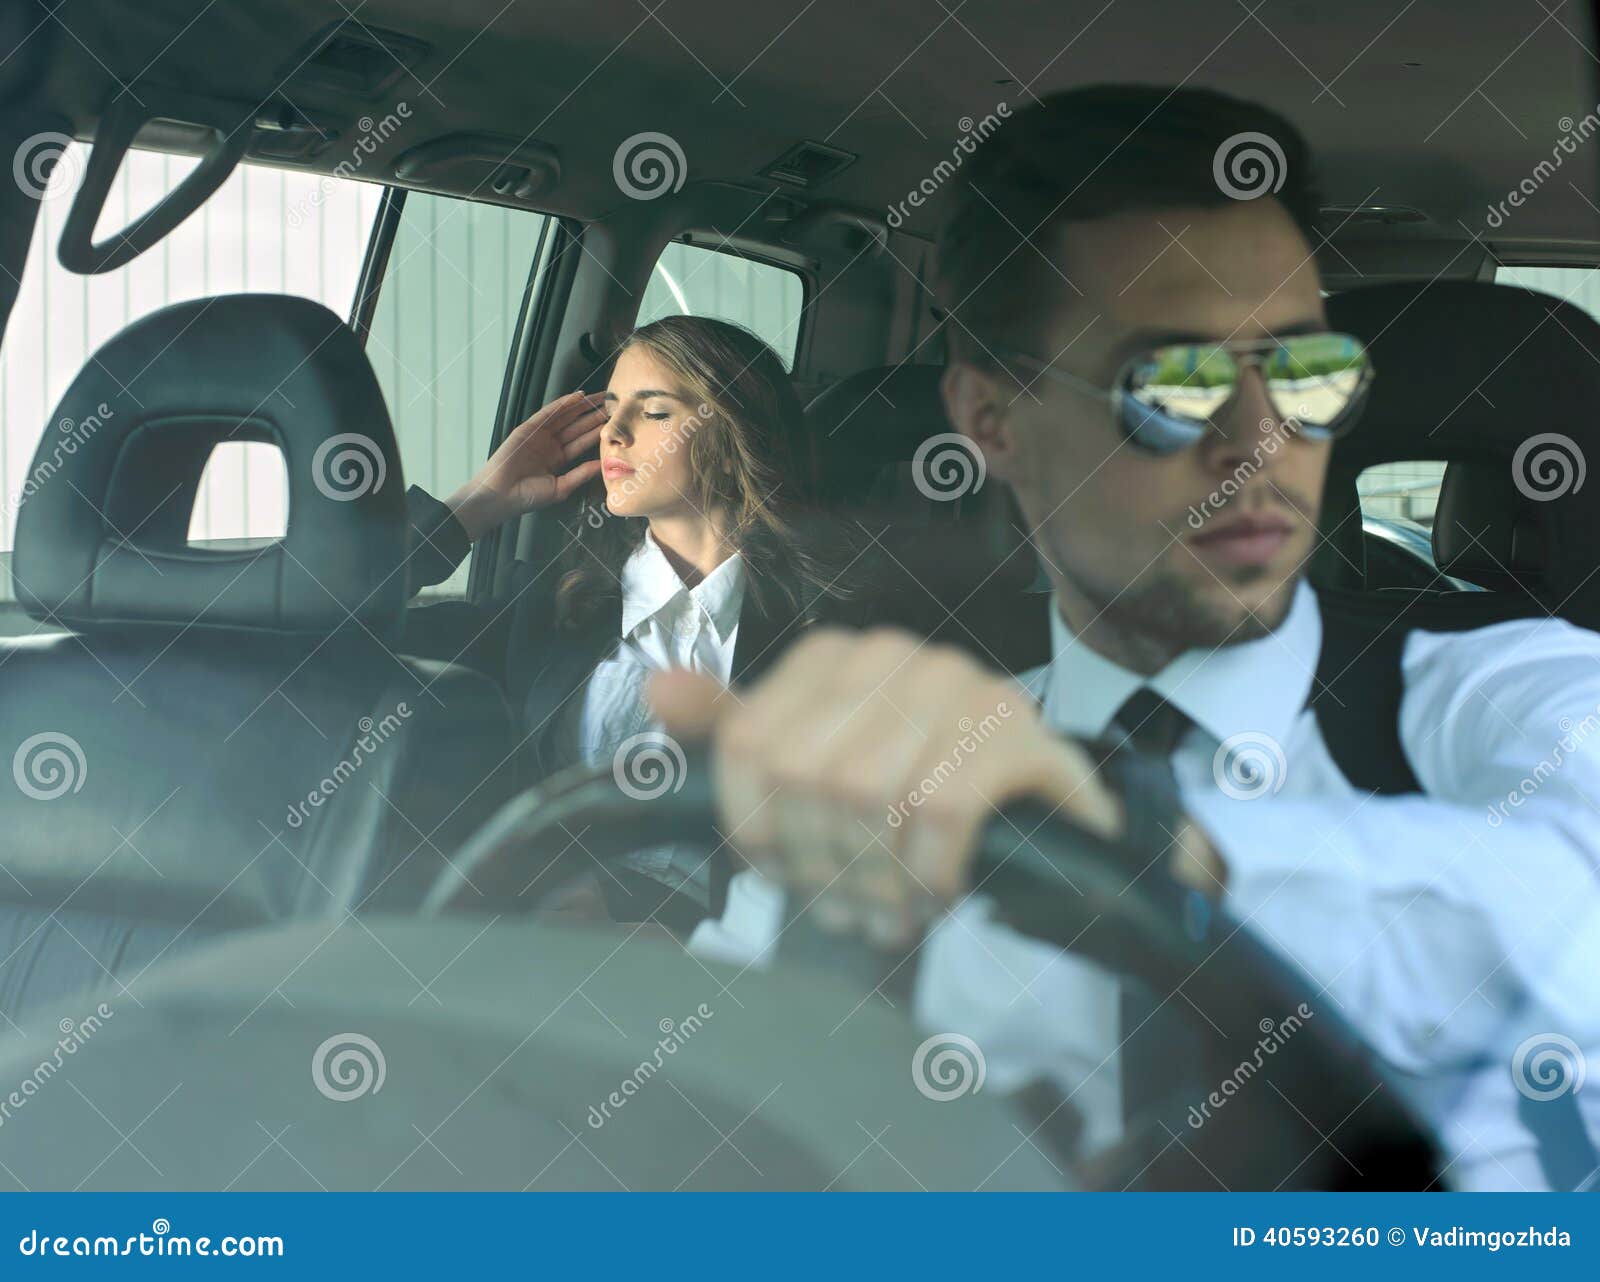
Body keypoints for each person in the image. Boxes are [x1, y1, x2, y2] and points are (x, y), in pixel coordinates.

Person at [647, 85, 1600, 1189]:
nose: (1262, 440)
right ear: (992, 421)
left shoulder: (1504, 696)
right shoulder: (901, 770)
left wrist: (1132, 837)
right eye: (1175, 382)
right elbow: (710, 1130)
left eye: (1301, 370)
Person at [404, 314, 860, 924]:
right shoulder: (549, 615)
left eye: (653, 412)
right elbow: (315, 632)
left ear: (732, 434)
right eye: (611, 407)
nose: (612, 434)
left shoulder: (830, 636)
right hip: (536, 951)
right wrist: (476, 505)